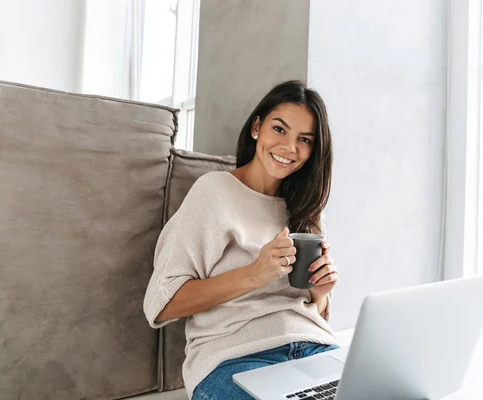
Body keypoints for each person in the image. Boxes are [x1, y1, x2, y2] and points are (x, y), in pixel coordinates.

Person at [143, 80, 340, 399]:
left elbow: (316, 312)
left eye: (304, 139)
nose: (290, 147)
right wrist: (253, 274)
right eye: (280, 129)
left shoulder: (307, 207)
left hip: (314, 348)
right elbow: (161, 305)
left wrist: (321, 293)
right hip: (234, 360)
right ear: (257, 128)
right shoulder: (215, 192)